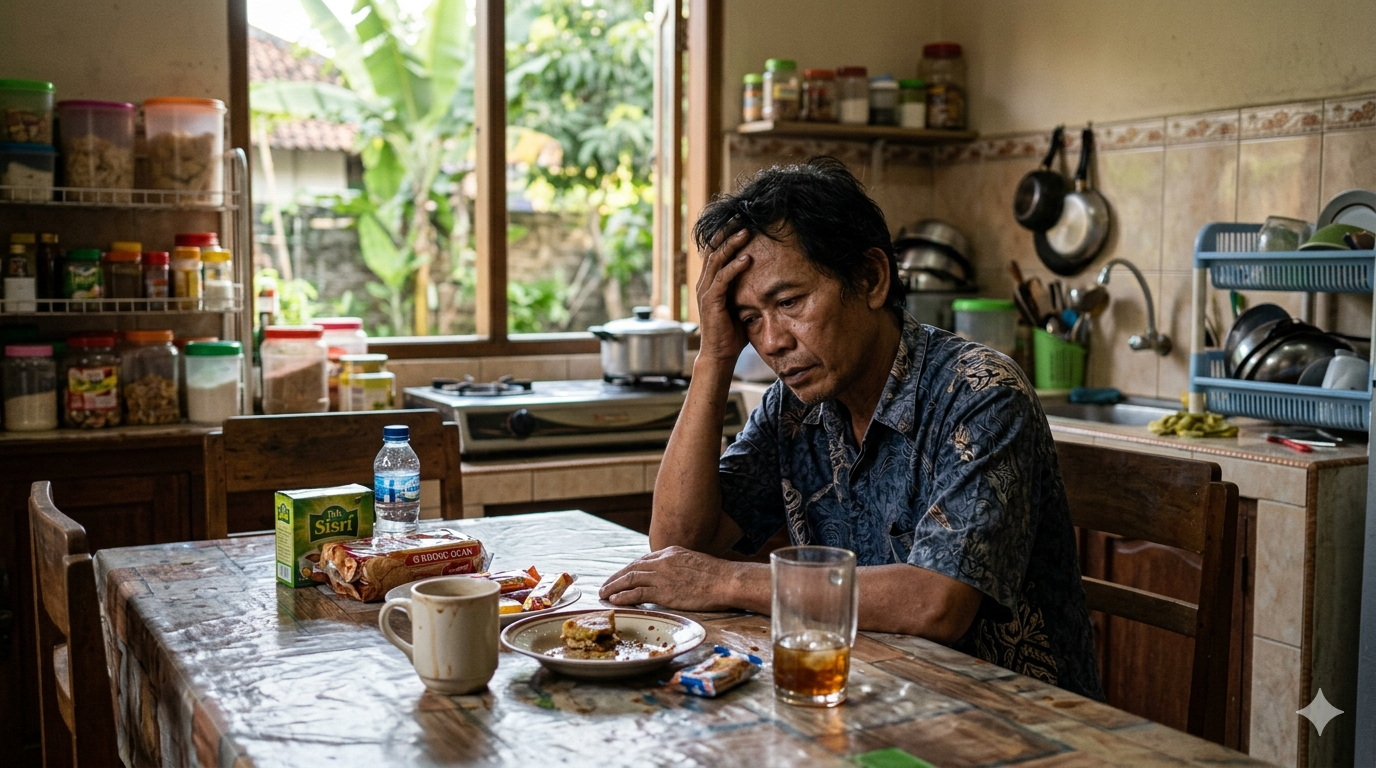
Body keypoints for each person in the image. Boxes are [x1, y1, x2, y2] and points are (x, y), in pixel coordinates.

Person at [598, 157, 1103, 699]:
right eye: (749, 319)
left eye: (789, 303)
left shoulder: (980, 391)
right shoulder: (792, 407)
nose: (771, 342)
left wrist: (726, 580)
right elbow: (676, 549)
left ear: (870, 278)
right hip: (870, 698)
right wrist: (714, 356)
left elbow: (937, 603)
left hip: (1012, 722)